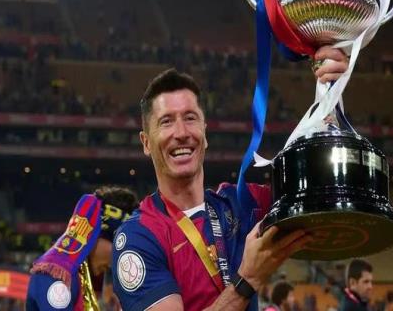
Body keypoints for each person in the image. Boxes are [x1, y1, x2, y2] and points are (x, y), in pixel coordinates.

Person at [112, 47, 349, 311]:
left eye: (190, 118)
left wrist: (330, 92)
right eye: (166, 121)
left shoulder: (241, 205)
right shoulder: (138, 236)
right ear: (146, 142)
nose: (181, 132)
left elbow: (327, 192)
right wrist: (247, 280)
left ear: (204, 133)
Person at [26, 185, 138, 310]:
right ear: (95, 235)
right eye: (120, 245)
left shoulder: (81, 277)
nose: (120, 258)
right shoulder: (58, 276)